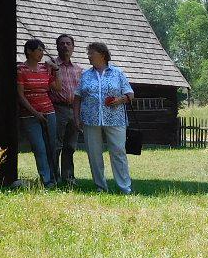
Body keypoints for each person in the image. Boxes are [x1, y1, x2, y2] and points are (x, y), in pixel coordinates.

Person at [78, 41, 135, 194]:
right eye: (88, 53)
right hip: (91, 120)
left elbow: (130, 94)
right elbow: (77, 97)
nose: (88, 56)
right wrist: (77, 118)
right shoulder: (85, 75)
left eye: (91, 53)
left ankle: (124, 187)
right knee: (94, 154)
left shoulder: (117, 73)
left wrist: (119, 100)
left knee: (118, 151)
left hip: (115, 119)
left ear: (102, 55)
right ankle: (100, 187)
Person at [16, 39, 56, 188]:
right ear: (29, 51)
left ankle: (54, 178)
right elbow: (20, 96)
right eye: (39, 50)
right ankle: (46, 180)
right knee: (39, 147)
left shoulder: (45, 69)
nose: (41, 53)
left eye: (42, 50)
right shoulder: (21, 70)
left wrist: (56, 70)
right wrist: (35, 113)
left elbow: (57, 87)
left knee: (51, 145)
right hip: (29, 114)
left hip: (49, 111)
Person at [49, 34, 82, 186]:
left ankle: (68, 178)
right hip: (57, 108)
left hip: (74, 109)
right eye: (62, 44)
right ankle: (54, 177)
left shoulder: (79, 70)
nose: (65, 46)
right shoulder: (51, 66)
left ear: (73, 47)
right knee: (56, 144)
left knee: (70, 145)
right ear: (57, 47)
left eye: (69, 44)